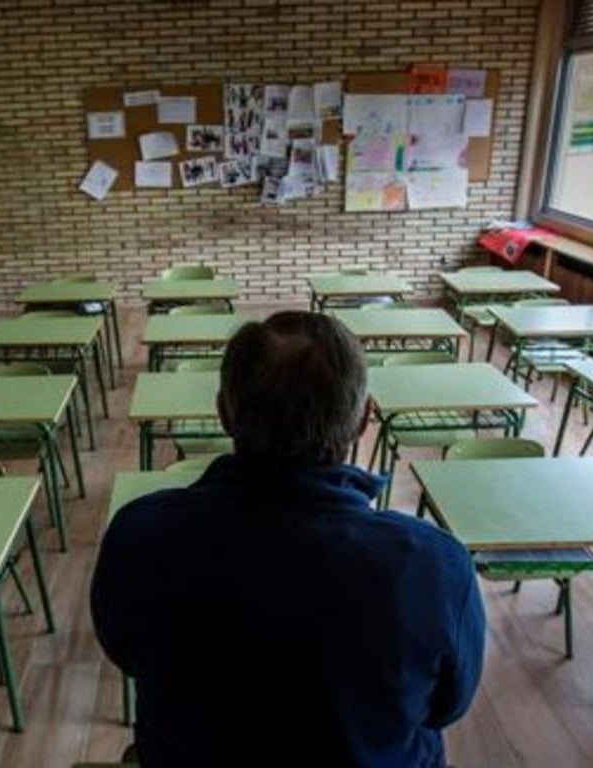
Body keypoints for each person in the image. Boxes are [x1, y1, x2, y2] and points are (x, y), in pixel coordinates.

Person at [91, 311, 485, 767]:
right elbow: (448, 707)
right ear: (363, 420)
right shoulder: (434, 564)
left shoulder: (139, 535)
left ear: (223, 413)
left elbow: (124, 652)